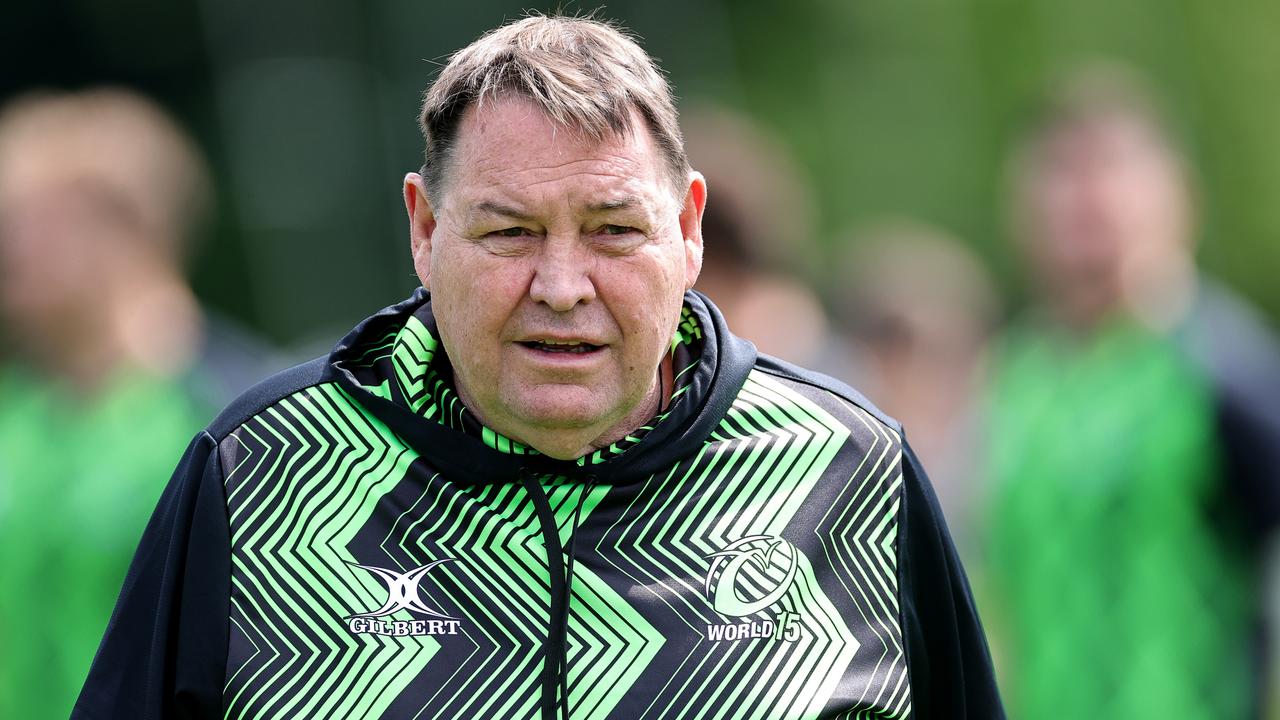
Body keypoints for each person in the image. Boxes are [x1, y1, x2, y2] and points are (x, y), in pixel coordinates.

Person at [73, 15, 1003, 719]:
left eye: (613, 230)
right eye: (509, 232)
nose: (562, 286)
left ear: (688, 230)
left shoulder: (851, 469)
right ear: (426, 233)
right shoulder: (259, 472)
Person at [979, 65, 1280, 720]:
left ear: (1179, 195)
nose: (1087, 196)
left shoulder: (1227, 369)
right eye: (1061, 171)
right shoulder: (1015, 376)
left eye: (1111, 168)